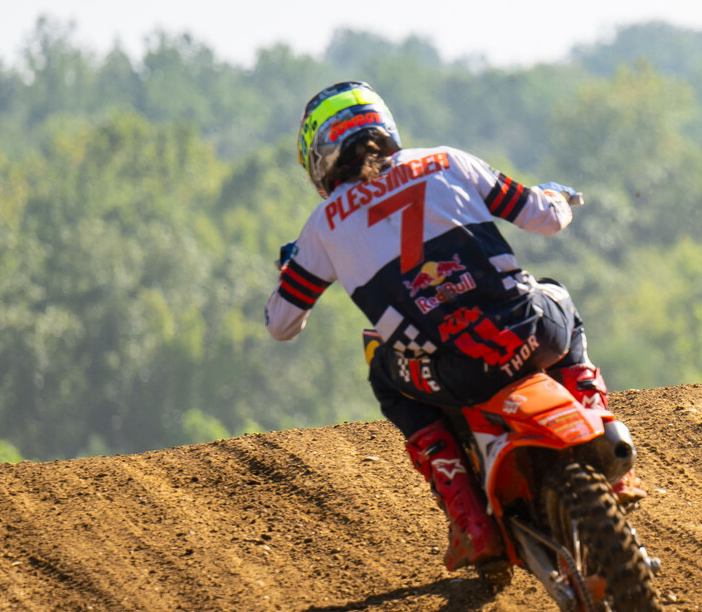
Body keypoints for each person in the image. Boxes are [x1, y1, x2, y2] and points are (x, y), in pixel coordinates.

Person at [264, 81, 624, 573]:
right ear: (383, 127)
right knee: (557, 293)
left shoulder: (322, 225)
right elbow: (543, 217)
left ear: (319, 157)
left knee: (379, 362)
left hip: (458, 374)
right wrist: (559, 197)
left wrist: (294, 271)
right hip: (533, 334)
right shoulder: (448, 160)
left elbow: (281, 324)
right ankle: (603, 434)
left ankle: (467, 515)